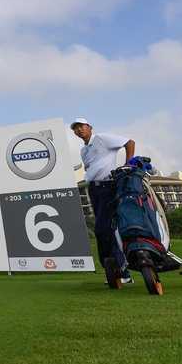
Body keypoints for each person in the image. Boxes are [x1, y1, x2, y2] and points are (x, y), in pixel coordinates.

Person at [71, 117, 136, 285]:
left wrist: (127, 164)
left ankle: (121, 271)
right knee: (103, 230)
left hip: (109, 186)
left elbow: (129, 142)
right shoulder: (83, 151)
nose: (79, 130)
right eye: (76, 128)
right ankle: (114, 270)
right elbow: (90, 167)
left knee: (106, 228)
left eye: (82, 126)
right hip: (94, 189)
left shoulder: (102, 138)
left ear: (89, 127)